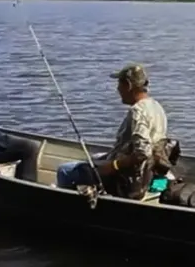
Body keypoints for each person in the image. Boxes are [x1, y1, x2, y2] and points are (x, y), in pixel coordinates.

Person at [55, 63, 172, 199]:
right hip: (149, 173)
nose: (117, 89)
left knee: (64, 170)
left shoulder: (138, 111)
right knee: (94, 157)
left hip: (127, 177)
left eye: (119, 84)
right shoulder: (156, 106)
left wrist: (113, 166)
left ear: (128, 85)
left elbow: (142, 153)